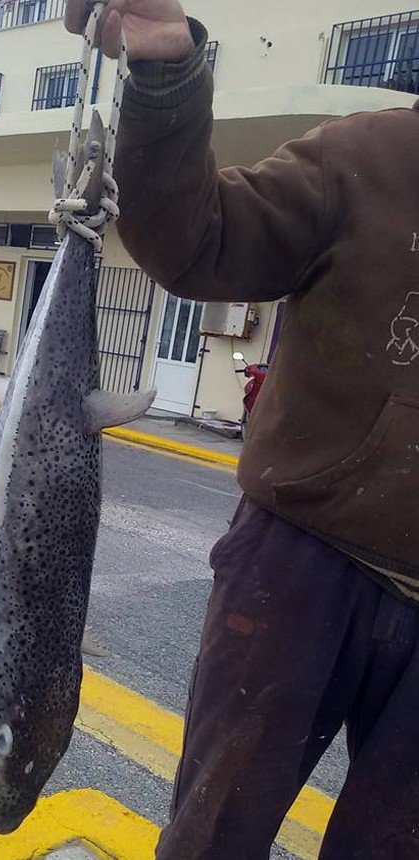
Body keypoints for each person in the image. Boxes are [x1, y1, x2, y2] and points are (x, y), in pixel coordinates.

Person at [66, 2, 419, 858]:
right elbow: (197, 242)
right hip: (299, 564)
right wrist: (161, 68)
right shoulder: (365, 157)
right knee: (213, 836)